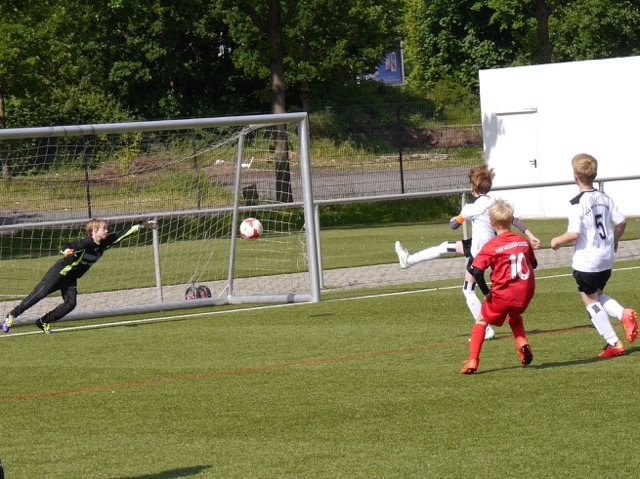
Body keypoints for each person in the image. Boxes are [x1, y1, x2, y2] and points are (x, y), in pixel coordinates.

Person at [394, 164, 541, 340]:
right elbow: (513, 219)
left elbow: (453, 225)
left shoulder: (471, 206)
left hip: (481, 253)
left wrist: (455, 218)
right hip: (486, 246)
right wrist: (530, 235)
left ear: (472, 188)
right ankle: (407, 260)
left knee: (468, 290)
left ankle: (485, 329)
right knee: (445, 247)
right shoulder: (495, 202)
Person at [550, 153, 637, 358]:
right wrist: (615, 240)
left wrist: (556, 241)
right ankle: (622, 315)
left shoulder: (577, 202)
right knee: (596, 295)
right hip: (606, 258)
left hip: (588, 260)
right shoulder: (604, 197)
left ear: (575, 176)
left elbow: (574, 234)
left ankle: (613, 341)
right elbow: (622, 222)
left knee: (590, 301)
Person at [2, 218, 155, 334]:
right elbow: (69, 246)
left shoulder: (104, 243)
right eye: (103, 228)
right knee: (38, 295)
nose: (106, 231)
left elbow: (121, 234)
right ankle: (11, 316)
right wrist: (67, 251)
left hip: (70, 279)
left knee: (71, 303)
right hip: (59, 274)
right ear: (94, 231)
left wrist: (141, 226)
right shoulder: (87, 242)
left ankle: (43, 322)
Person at [460, 198, 537, 374]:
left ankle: (473, 360)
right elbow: (534, 264)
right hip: (525, 293)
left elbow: (477, 271)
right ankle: (521, 341)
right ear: (511, 221)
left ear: (491, 222)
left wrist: (487, 292)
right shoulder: (522, 241)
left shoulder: (491, 246)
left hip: (503, 295)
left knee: (481, 321)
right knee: (514, 316)